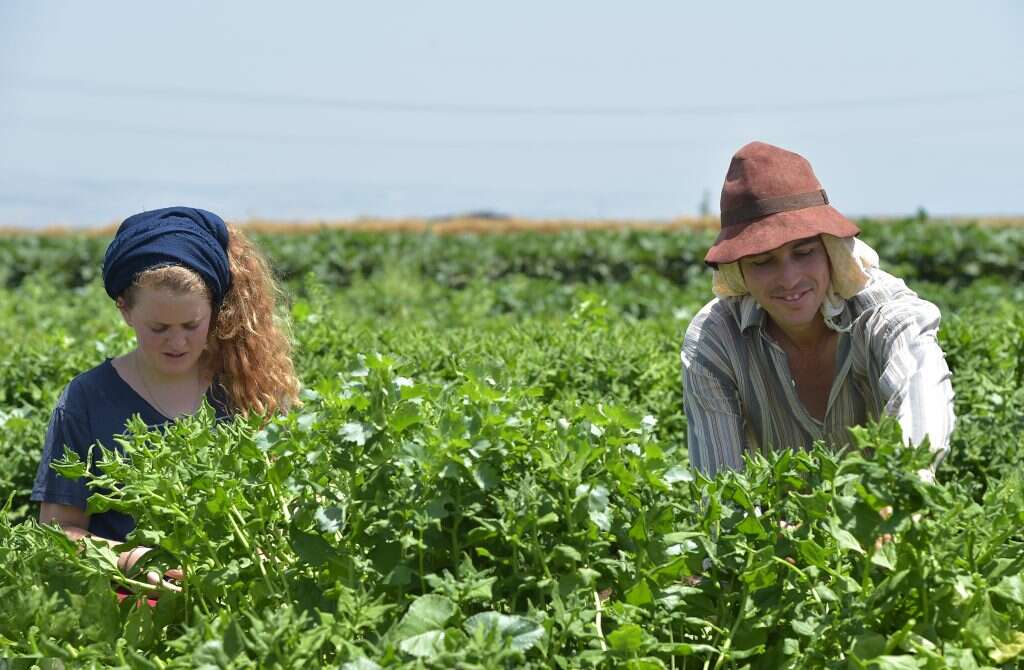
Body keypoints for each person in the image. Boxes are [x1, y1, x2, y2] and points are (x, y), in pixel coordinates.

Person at [31, 206, 300, 582]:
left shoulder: (250, 387)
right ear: (125, 310)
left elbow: (292, 503)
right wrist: (135, 560)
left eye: (192, 325)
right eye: (158, 328)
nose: (177, 342)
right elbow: (58, 529)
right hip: (133, 602)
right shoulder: (86, 399)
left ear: (216, 309)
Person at [681, 142, 954, 478]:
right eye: (763, 262)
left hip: (885, 518)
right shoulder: (716, 339)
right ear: (739, 272)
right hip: (774, 527)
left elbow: (922, 399)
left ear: (830, 250)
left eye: (804, 252)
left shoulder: (884, 314)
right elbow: (719, 489)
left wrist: (898, 498)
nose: (789, 278)